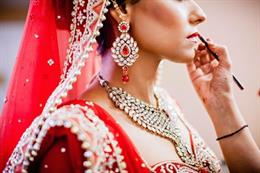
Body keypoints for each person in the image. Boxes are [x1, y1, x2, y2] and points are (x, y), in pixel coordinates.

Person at [0, 0, 259, 172]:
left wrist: (222, 106)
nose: (200, 14)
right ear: (122, 9)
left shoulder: (168, 106)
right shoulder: (74, 135)